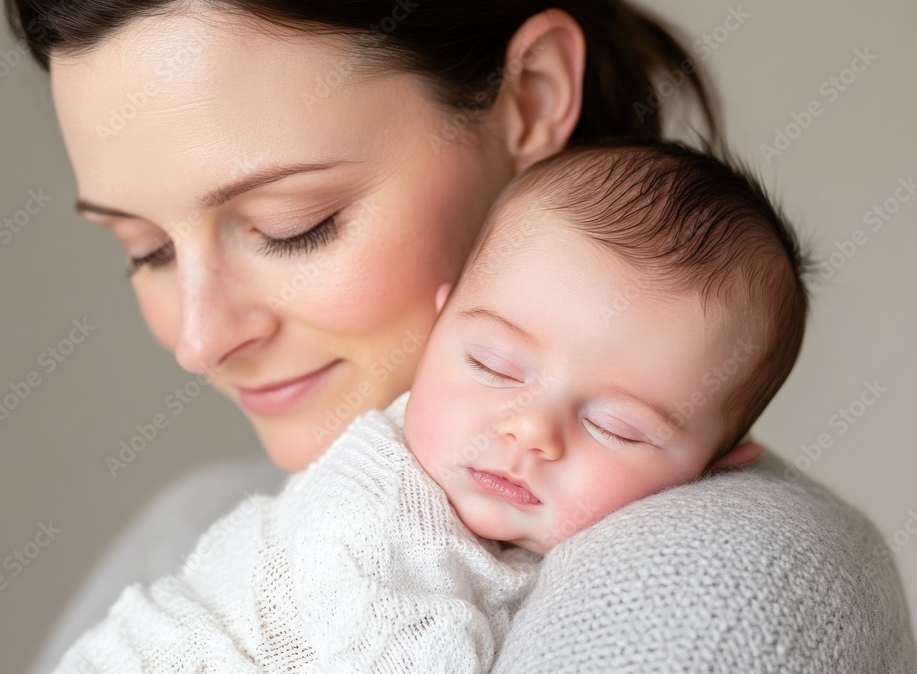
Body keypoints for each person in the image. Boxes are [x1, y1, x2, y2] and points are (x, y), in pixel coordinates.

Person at [0, 0, 916, 671]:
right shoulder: (195, 517)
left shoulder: (722, 578)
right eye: (145, 248)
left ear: (530, 96)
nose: (198, 339)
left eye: (295, 223)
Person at [50, 139, 805, 673]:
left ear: (719, 464)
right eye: (492, 363)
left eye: (618, 426)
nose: (529, 430)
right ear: (440, 325)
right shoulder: (378, 511)